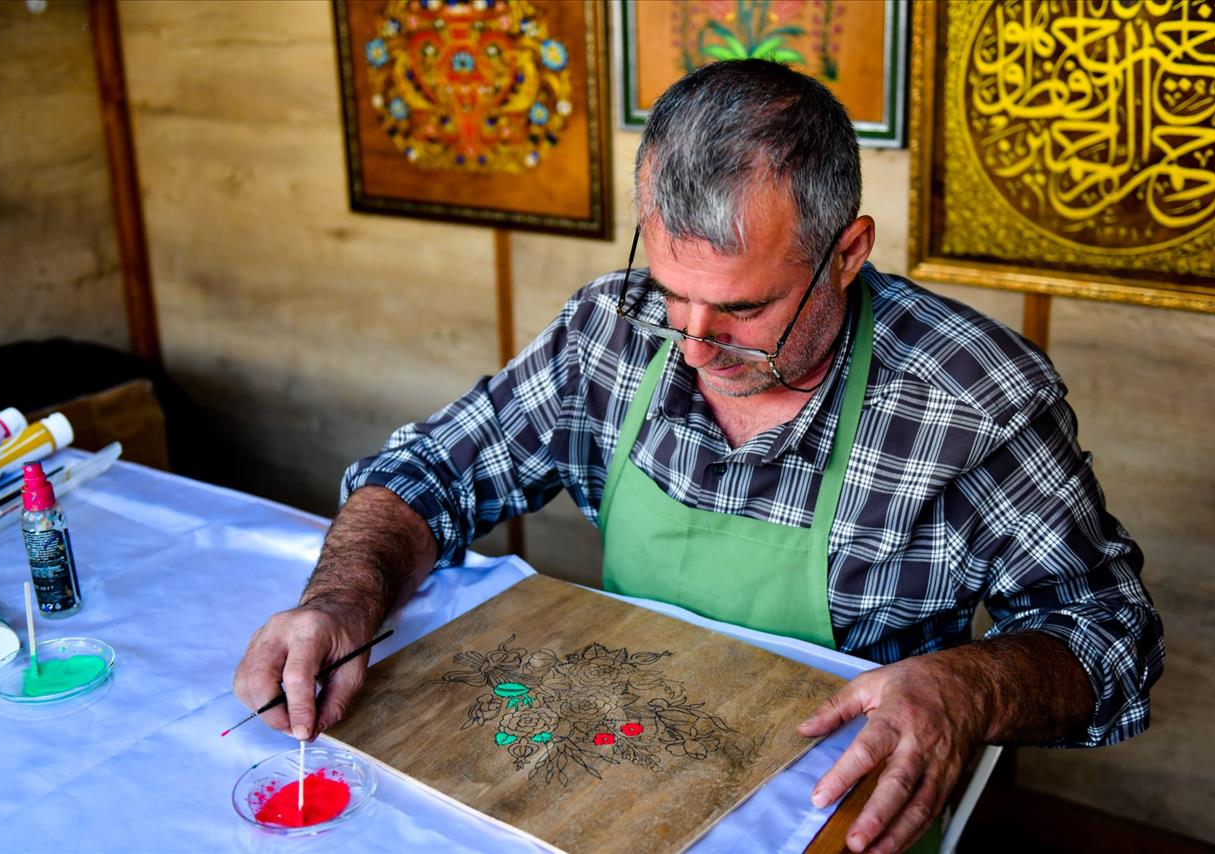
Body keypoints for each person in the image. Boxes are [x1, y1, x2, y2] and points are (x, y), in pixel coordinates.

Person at [235, 60, 1163, 853]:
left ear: (847, 254)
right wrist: (340, 599)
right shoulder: (611, 325)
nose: (692, 344)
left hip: (826, 813)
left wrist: (971, 687)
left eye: (745, 311)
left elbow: (1111, 632)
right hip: (606, 760)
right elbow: (428, 472)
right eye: (674, 295)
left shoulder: (972, 397)